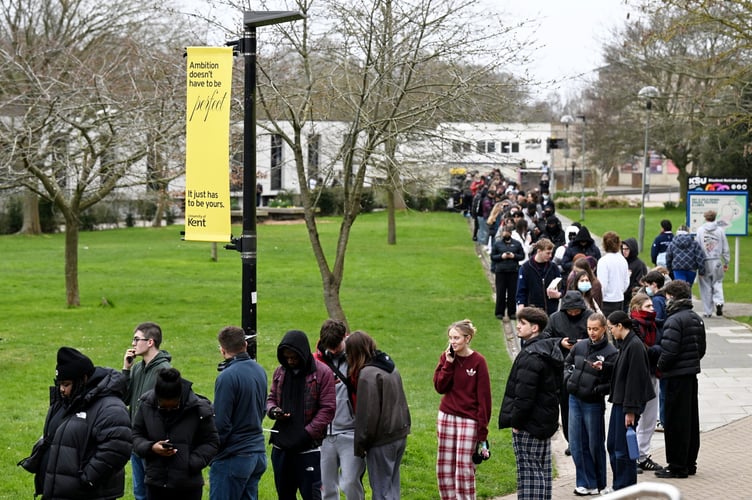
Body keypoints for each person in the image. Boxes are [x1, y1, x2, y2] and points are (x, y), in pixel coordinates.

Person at [37, 347, 131, 499]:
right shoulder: (65, 402)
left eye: (66, 384)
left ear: (84, 379)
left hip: (88, 494)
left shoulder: (111, 407)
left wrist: (87, 480)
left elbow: (117, 449)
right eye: (59, 384)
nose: (61, 389)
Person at [499, 307, 563, 500]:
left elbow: (524, 396)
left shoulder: (531, 356)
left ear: (535, 328)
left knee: (529, 477)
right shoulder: (548, 349)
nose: (517, 326)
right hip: (543, 422)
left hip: (529, 425)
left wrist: (517, 423)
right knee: (542, 473)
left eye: (523, 323)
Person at [267, 329, 336, 500]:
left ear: (303, 354)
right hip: (281, 448)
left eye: (294, 357)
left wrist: (306, 433)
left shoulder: (322, 373)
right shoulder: (280, 372)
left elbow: (328, 409)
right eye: (286, 357)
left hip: (308, 450)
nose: (290, 361)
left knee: (311, 495)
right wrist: (274, 411)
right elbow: (271, 399)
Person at [132, 367, 219, 500]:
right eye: (163, 407)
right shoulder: (146, 405)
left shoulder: (198, 409)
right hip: (156, 484)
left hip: (188, 486)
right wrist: (151, 447)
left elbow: (211, 442)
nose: (168, 410)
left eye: (173, 407)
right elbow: (136, 435)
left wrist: (191, 462)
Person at [347, 330, 411, 500]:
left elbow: (368, 416)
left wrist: (361, 445)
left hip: (382, 441)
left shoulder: (368, 375)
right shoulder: (390, 366)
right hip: (399, 433)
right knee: (391, 489)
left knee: (381, 491)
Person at [433, 320, 492, 499]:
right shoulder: (446, 357)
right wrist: (449, 364)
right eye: (451, 338)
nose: (453, 342)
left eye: (457, 338)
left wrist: (482, 433)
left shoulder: (478, 361)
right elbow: (439, 387)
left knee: (464, 468)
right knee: (445, 466)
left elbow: (485, 399)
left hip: (469, 420)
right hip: (446, 417)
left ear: (468, 338)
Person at [210, 326, 269, 500]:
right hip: (257, 453)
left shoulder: (227, 377)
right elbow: (263, 409)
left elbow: (221, 423)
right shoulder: (260, 370)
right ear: (245, 344)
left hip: (234, 456)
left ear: (222, 350)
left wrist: (212, 451)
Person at [656, 279, 706, 478]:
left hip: (675, 377)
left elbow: (669, 352)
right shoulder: (695, 317)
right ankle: (689, 462)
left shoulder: (674, 320)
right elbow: (701, 349)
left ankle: (677, 465)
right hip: (690, 375)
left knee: (675, 422)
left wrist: (659, 367)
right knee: (690, 421)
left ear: (672, 297)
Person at [564, 313, 618, 496]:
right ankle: (584, 482)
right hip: (574, 399)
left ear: (603, 328)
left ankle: (599, 483)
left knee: (595, 444)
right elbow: (567, 363)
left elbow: (613, 380)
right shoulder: (580, 346)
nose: (592, 332)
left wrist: (597, 390)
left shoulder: (611, 352)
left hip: (593, 403)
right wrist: (568, 380)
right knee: (577, 443)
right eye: (589, 329)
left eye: (595, 329)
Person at [313, 320, 366, 500]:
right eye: (330, 347)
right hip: (324, 435)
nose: (334, 350)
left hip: (351, 432)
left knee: (350, 482)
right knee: (326, 488)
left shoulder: (358, 357)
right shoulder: (316, 361)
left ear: (345, 337)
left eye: (337, 346)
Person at [604, 311, 654, 492]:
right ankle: (620, 485)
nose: (610, 332)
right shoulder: (626, 344)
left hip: (628, 404)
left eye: (610, 328)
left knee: (623, 449)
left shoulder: (634, 346)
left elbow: (635, 379)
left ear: (619, 326)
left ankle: (625, 487)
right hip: (622, 402)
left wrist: (631, 410)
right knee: (613, 445)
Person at [123, 322, 172, 500]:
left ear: (150, 342)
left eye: (137, 339)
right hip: (136, 443)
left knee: (154, 494)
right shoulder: (137, 368)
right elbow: (124, 399)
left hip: (153, 444)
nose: (133, 344)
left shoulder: (164, 371)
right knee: (139, 494)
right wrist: (126, 370)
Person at [542, 290, 593, 451]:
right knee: (566, 406)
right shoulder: (555, 319)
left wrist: (582, 343)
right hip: (562, 367)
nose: (573, 313)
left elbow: (598, 337)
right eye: (570, 311)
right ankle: (572, 440)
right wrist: (560, 343)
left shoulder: (589, 317)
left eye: (576, 311)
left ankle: (586, 439)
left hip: (585, 367)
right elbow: (545, 338)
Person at [628, 293, 665, 474]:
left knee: (650, 418)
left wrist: (655, 350)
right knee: (634, 417)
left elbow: (657, 347)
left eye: (652, 306)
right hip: (637, 377)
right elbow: (642, 350)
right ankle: (631, 456)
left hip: (653, 373)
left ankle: (643, 455)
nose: (653, 309)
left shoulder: (654, 325)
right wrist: (657, 350)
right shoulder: (633, 325)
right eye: (648, 307)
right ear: (637, 308)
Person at [695, 209, 731, 317]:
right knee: (718, 282)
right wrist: (726, 262)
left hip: (704, 261)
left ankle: (708, 311)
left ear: (705, 218)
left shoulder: (700, 230)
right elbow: (725, 247)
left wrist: (697, 262)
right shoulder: (720, 230)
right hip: (717, 260)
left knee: (705, 286)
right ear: (715, 217)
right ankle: (719, 302)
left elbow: (697, 247)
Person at [516, 238, 563, 316]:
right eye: (548, 253)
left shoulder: (553, 267)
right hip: (533, 312)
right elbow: (521, 291)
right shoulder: (525, 268)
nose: (550, 256)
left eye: (551, 253)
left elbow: (562, 287)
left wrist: (558, 294)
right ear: (539, 251)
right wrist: (521, 309)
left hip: (551, 311)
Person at [490, 226, 525, 320]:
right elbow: (493, 257)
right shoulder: (497, 244)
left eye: (508, 232)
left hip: (513, 271)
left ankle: (512, 312)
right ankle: (499, 312)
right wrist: (502, 256)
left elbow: (522, 256)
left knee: (512, 293)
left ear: (510, 233)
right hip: (501, 271)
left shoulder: (517, 244)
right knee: (500, 292)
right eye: (504, 232)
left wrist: (514, 256)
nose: (506, 234)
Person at [597, 232, 630, 320]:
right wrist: (619, 291)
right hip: (619, 299)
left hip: (606, 301)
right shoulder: (622, 260)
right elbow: (626, 281)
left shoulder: (603, 261)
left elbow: (602, 285)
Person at [621, 237, 648, 311]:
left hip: (631, 299)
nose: (624, 251)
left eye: (627, 249)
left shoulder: (639, 264)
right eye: (623, 249)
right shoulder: (622, 262)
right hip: (620, 297)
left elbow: (640, 282)